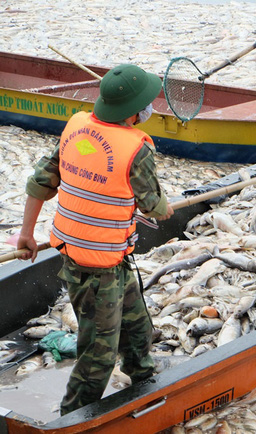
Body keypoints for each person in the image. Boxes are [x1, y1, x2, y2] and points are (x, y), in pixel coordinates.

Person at [17, 64, 174, 415]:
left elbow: (40, 181)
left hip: (84, 256)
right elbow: (154, 205)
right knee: (98, 356)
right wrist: (164, 209)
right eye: (147, 102)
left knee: (135, 322)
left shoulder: (76, 128)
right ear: (135, 112)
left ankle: (142, 372)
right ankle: (71, 417)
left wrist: (26, 234)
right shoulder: (137, 149)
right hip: (97, 267)